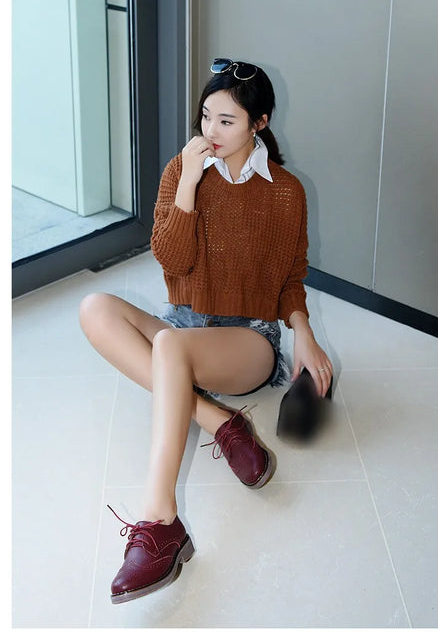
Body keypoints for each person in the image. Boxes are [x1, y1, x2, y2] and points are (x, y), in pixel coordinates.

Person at [79, 58, 333, 604]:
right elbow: (171, 259)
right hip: (185, 327)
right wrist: (190, 183)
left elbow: (292, 275)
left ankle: (159, 519)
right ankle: (218, 420)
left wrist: (304, 333)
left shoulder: (286, 191)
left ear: (260, 123)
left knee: (169, 345)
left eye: (227, 121)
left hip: (248, 341)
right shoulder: (183, 169)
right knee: (95, 308)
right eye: (206, 117)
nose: (210, 131)